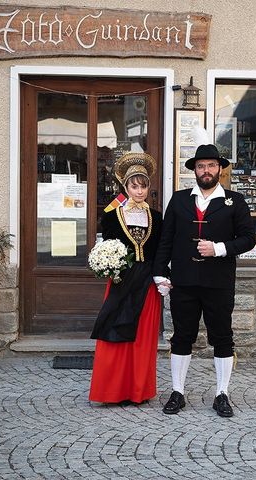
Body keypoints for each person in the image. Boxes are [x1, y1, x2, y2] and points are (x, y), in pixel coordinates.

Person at [152, 144, 256, 417]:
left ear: (220, 169)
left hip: (218, 281)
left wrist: (218, 248)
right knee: (181, 337)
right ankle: (177, 392)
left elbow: (248, 239)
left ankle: (221, 394)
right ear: (194, 171)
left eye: (211, 165)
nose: (206, 170)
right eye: (200, 166)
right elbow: (166, 240)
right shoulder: (179, 200)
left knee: (222, 337)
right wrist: (161, 273)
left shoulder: (235, 201)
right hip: (184, 280)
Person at [89, 152, 164, 405]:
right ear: (126, 187)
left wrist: (163, 277)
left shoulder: (157, 217)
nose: (139, 191)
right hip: (122, 282)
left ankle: (137, 391)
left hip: (148, 286)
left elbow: (160, 251)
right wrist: (109, 265)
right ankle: (111, 392)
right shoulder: (111, 216)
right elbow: (106, 246)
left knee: (142, 338)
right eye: (134, 186)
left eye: (143, 186)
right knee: (115, 334)